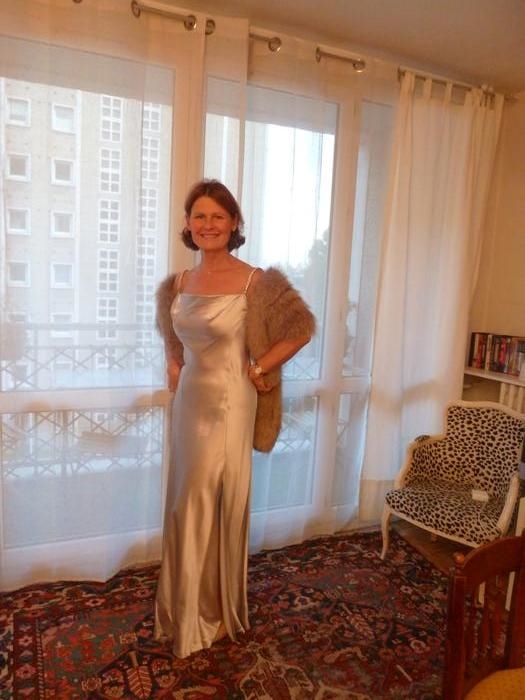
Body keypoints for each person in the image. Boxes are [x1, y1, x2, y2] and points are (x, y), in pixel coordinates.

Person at [153, 178, 315, 658]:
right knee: (184, 499)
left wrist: (260, 368)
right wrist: (173, 363)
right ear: (188, 224)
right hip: (189, 402)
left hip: (230, 403)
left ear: (234, 223)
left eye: (217, 217)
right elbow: (173, 336)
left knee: (209, 498)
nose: (208, 224)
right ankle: (182, 605)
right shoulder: (178, 283)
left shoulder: (255, 281)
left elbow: (301, 329)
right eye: (199, 216)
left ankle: (210, 613)